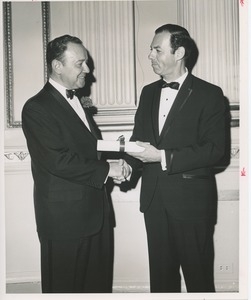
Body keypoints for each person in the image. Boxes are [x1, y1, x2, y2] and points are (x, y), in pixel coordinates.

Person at [125, 24, 227, 293]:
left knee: (199, 280)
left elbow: (216, 151)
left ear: (179, 52)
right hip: (154, 201)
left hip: (191, 205)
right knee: (161, 282)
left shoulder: (210, 94)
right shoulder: (148, 93)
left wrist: (161, 156)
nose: (150, 55)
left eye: (157, 49)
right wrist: (125, 168)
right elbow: (140, 142)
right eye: (150, 50)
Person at [22, 34, 127, 293]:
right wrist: (106, 170)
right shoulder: (36, 108)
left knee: (97, 288)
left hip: (96, 215)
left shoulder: (77, 100)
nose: (88, 70)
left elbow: (84, 150)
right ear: (57, 66)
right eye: (80, 64)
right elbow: (57, 160)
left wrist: (115, 160)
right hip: (64, 223)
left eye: (86, 63)